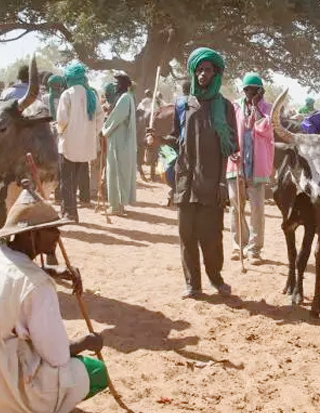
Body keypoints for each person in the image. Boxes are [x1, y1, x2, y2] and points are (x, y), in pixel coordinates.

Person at [0, 187, 108, 413]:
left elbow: (12, 273)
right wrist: (86, 343)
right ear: (31, 235)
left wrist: (52, 270)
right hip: (1, 387)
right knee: (96, 373)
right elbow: (58, 356)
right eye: (51, 229)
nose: (58, 234)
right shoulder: (37, 286)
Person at [147, 47, 237, 299]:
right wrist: (159, 140)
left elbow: (230, 146)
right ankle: (192, 285)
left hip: (212, 181)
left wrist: (222, 182)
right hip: (185, 179)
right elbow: (177, 139)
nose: (202, 74)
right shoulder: (183, 105)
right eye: (198, 70)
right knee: (186, 235)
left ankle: (216, 279)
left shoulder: (225, 107)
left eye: (207, 70)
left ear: (216, 73)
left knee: (212, 236)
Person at [226, 72, 273, 263]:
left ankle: (254, 249)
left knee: (257, 208)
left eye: (254, 90)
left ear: (261, 91)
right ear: (243, 90)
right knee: (235, 206)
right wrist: (230, 149)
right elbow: (228, 131)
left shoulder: (268, 109)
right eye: (247, 89)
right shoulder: (234, 107)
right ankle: (239, 245)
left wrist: (257, 109)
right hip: (236, 163)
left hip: (257, 166)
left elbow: (267, 129)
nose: (250, 93)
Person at [54, 62, 101, 222]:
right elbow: (100, 118)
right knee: (76, 178)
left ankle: (69, 213)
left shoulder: (67, 94)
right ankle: (70, 212)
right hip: (86, 145)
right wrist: (92, 133)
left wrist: (60, 132)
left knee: (67, 180)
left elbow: (61, 120)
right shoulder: (92, 95)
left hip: (68, 144)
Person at [100, 73, 137, 216]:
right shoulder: (126, 98)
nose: (115, 86)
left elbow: (116, 118)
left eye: (118, 83)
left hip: (119, 142)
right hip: (120, 141)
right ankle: (119, 205)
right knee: (119, 172)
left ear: (124, 85)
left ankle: (116, 207)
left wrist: (104, 129)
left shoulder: (125, 98)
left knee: (115, 172)